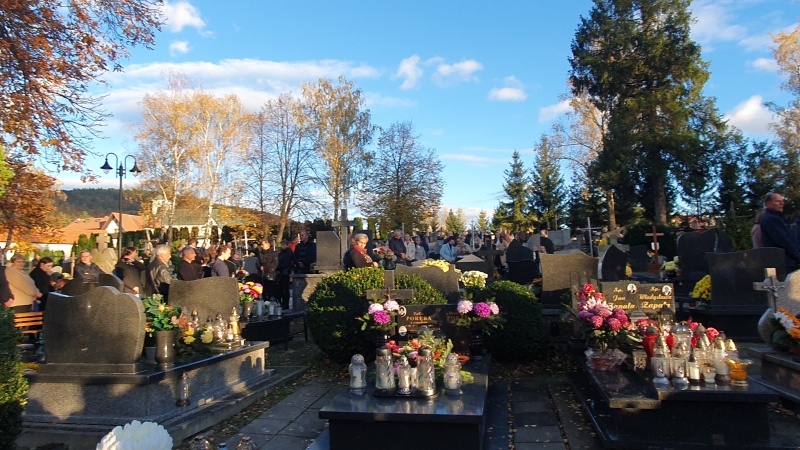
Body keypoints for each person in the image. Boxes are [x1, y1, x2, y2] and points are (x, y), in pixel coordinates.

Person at [760, 192, 800, 274]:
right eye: (777, 201)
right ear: (768, 204)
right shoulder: (772, 220)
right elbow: (784, 241)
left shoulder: (779, 218)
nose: (782, 203)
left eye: (782, 201)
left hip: (787, 261)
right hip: (784, 263)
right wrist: (798, 256)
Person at [276, 239, 293, 309]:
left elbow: (287, 263)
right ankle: (282, 302)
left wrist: (279, 267)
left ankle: (286, 304)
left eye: (283, 244)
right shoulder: (281, 253)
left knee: (285, 289)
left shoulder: (289, 252)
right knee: (280, 289)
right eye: (281, 244)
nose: (282, 246)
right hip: (280, 272)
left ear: (286, 245)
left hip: (285, 272)